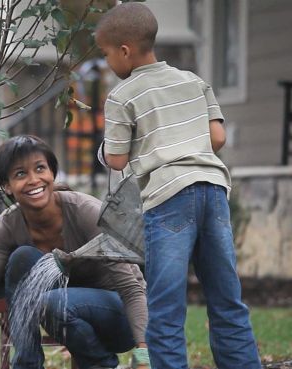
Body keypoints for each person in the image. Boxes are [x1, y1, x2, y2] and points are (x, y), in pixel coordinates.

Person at [95, 3, 261, 369]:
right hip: (213, 190)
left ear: (124, 50)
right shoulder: (193, 81)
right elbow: (216, 137)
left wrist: (108, 149)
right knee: (227, 300)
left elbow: (118, 160)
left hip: (169, 198)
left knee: (166, 308)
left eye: (106, 54)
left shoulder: (123, 96)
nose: (107, 62)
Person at [0, 135, 150, 369]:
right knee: (22, 258)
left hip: (120, 316)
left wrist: (143, 356)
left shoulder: (86, 212)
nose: (33, 179)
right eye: (20, 174)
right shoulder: (6, 228)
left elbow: (131, 290)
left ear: (52, 173)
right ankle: (28, 364)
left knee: (50, 301)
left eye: (40, 168)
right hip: (65, 314)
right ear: (7, 186)